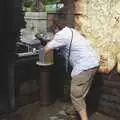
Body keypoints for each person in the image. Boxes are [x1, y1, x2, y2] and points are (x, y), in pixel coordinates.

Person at [44, 14, 100, 120]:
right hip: (93, 63)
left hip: (84, 66)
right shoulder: (70, 31)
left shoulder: (61, 35)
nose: (53, 32)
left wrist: (41, 54)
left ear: (56, 27)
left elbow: (47, 49)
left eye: (53, 30)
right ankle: (76, 110)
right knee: (81, 93)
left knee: (76, 95)